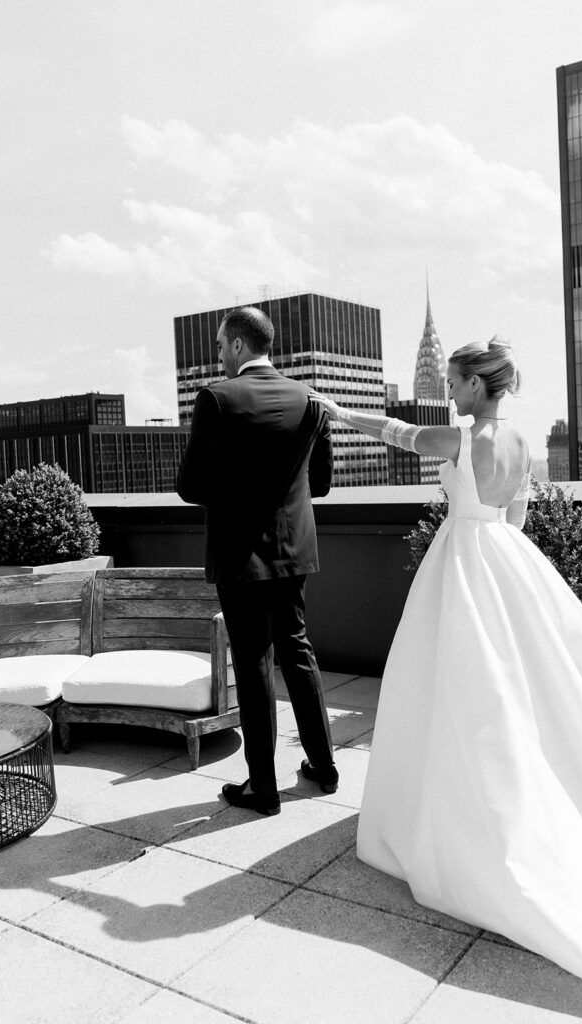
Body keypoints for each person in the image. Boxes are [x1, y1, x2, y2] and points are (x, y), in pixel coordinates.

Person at [312, 337, 582, 1024]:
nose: (451, 392)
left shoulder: (459, 438)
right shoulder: (524, 442)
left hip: (464, 559)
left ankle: (463, 810)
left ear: (474, 385)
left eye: (457, 382)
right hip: (508, 558)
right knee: (525, 686)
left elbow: (390, 432)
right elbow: (520, 516)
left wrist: (332, 409)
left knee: (458, 687)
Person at [177, 306, 338, 817]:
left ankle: (262, 788)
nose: (220, 355)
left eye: (222, 346)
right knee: (297, 651)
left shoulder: (216, 400)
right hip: (294, 551)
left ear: (240, 346)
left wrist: (239, 491)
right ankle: (324, 767)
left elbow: (189, 486)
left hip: (240, 555)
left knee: (252, 663)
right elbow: (321, 484)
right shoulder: (311, 400)